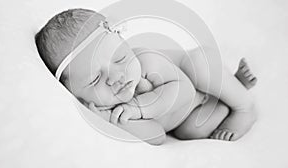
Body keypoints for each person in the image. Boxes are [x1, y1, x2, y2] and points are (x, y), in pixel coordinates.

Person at [35, 9, 257, 145]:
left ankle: (243, 106)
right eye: (94, 80)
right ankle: (230, 92)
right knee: (190, 131)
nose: (117, 77)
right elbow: (158, 135)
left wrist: (139, 108)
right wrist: (116, 123)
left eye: (120, 58)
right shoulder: (105, 108)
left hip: (194, 79)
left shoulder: (145, 60)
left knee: (201, 66)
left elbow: (185, 90)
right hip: (194, 111)